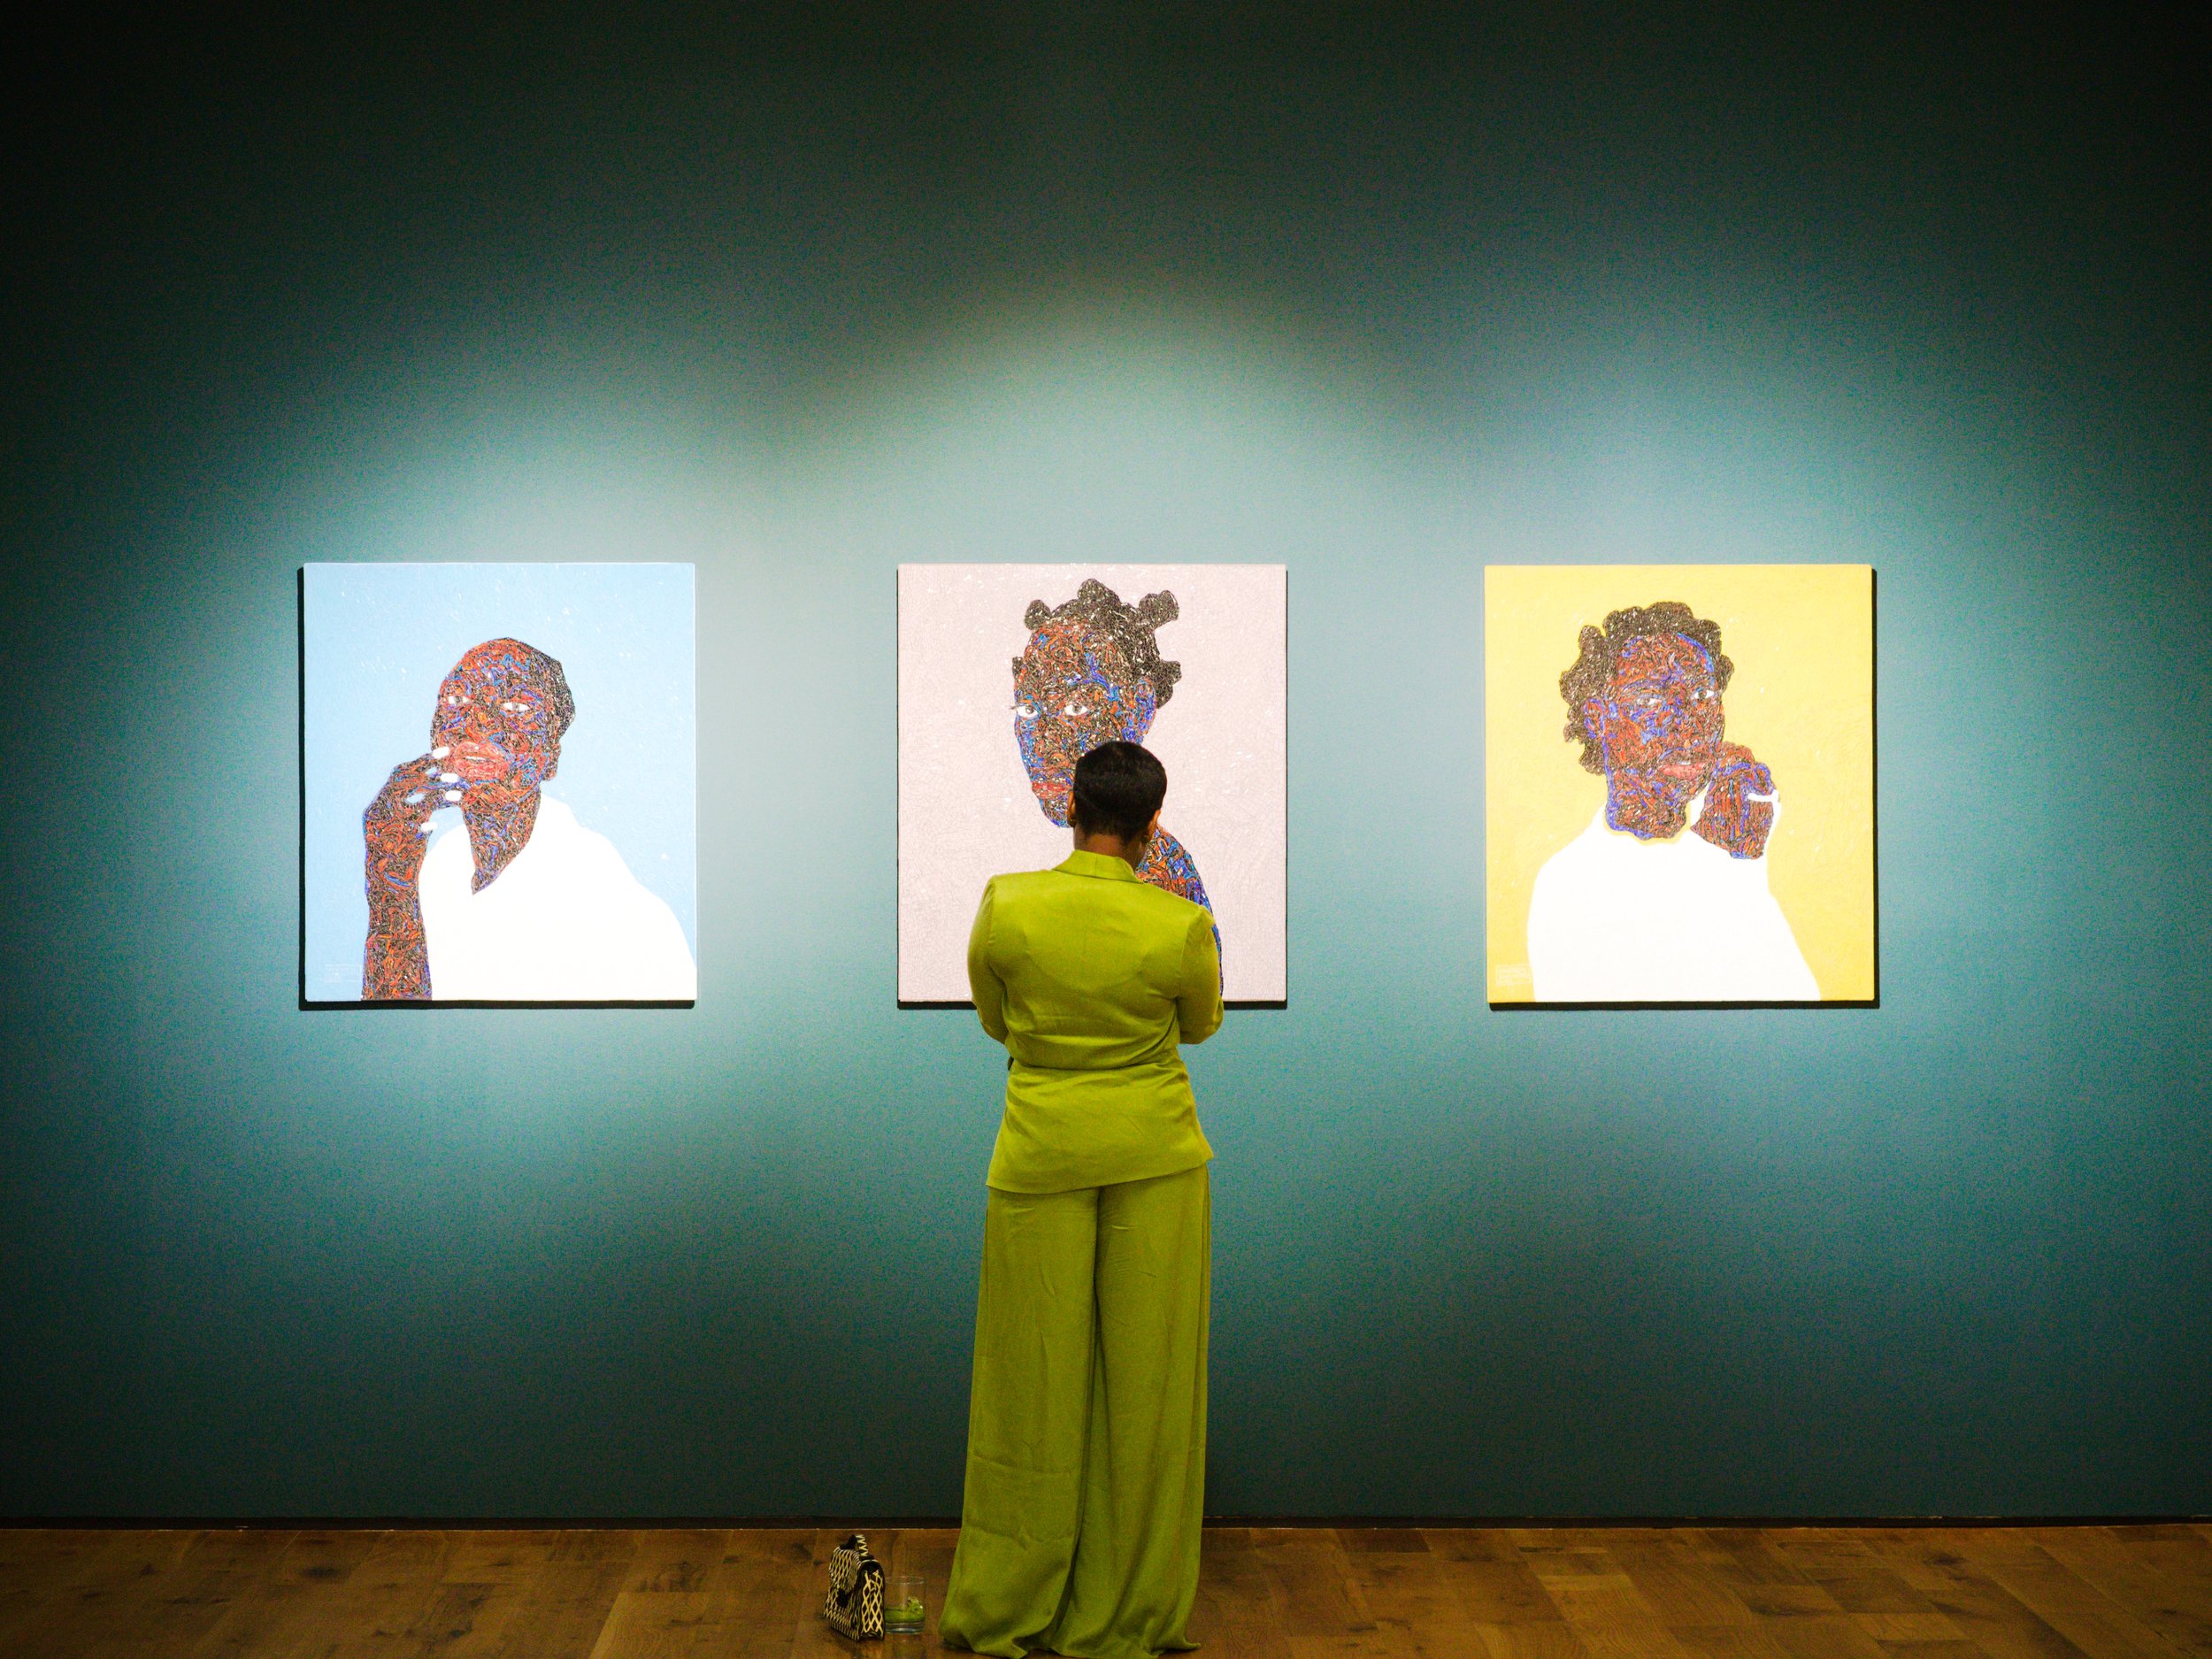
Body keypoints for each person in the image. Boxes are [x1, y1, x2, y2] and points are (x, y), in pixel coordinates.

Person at [940, 741, 1223, 1659]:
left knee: (1027, 1382)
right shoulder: (1176, 925)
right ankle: (1128, 1611)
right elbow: (1200, 1025)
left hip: (1037, 1150)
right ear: (1151, 827)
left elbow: (995, 1019)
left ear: (1070, 808)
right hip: (1154, 1155)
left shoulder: (1007, 904)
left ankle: (1007, 1601)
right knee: (1148, 1388)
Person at [359, 637, 695, 1002]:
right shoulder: (442, 868)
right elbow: (398, 1028)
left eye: (516, 706)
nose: (478, 724)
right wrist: (389, 878)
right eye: (456, 701)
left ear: (551, 756)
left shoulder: (608, 905)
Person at [1527, 601, 1817, 1002]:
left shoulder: (1743, 829)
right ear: (1598, 717)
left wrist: (1742, 858)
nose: (1689, 725)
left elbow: (1798, 997)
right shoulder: (1568, 884)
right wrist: (1727, 865)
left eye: (1702, 694)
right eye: (1649, 701)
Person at [1011, 580, 1215, 926]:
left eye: (1076, 708)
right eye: (1028, 711)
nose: (1044, 743)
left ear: (1138, 707)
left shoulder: (1161, 886)